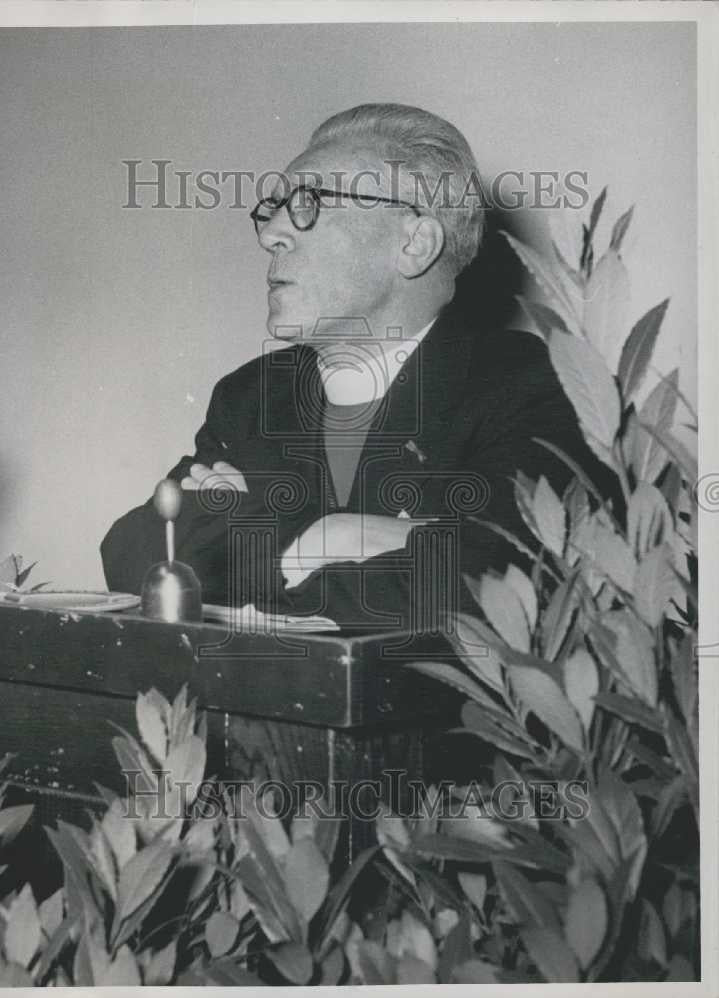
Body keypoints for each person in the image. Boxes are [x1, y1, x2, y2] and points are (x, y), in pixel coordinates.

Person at [101, 103, 615, 632]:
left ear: (413, 245)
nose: (270, 233)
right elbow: (137, 557)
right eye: (274, 208)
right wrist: (327, 539)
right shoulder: (252, 395)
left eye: (307, 204)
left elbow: (491, 590)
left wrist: (249, 537)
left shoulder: (535, 383)